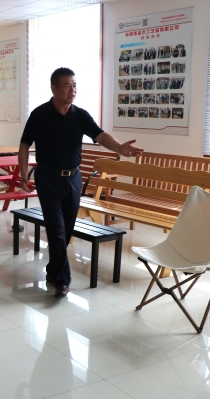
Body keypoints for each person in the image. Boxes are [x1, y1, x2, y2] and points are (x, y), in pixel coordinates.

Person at [18, 67, 143, 297]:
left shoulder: (80, 115)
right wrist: (24, 173)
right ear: (54, 88)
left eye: (74, 85)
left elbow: (100, 135)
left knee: (66, 230)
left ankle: (53, 270)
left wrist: (120, 148)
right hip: (48, 178)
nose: (72, 90)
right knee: (56, 229)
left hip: (73, 179)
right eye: (67, 85)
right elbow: (25, 144)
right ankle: (63, 280)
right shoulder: (39, 114)